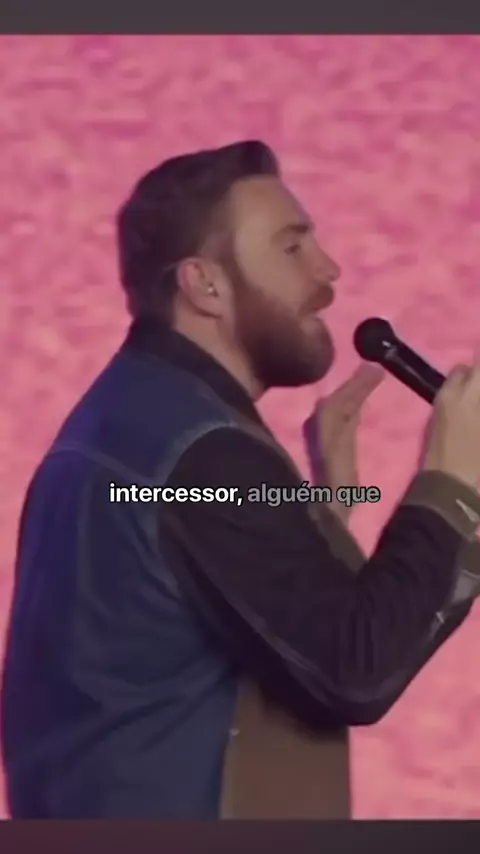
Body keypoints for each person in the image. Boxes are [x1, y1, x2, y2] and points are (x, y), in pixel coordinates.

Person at [2, 140, 480, 820]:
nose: (328, 269)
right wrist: (452, 483)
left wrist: (320, 509)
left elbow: (251, 610)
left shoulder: (130, 418)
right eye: (292, 247)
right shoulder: (202, 454)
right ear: (205, 285)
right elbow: (356, 668)